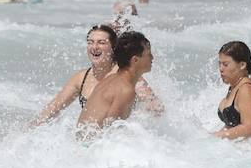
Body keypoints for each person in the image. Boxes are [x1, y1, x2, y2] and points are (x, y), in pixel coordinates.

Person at [33, 25, 162, 125]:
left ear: (113, 48)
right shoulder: (81, 77)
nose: (94, 47)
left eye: (101, 42)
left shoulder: (127, 78)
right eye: (90, 42)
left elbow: (156, 109)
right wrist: (29, 130)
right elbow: (53, 108)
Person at [77, 31, 154, 132]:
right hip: (91, 146)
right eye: (148, 54)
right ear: (135, 60)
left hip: (82, 143)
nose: (152, 58)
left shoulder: (111, 79)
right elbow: (112, 132)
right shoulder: (125, 89)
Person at [214, 41, 251, 140]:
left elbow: (250, 128)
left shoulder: (246, 89)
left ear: (242, 65)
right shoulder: (235, 86)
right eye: (220, 64)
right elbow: (233, 126)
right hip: (239, 152)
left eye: (225, 64)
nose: (221, 69)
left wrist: (218, 136)